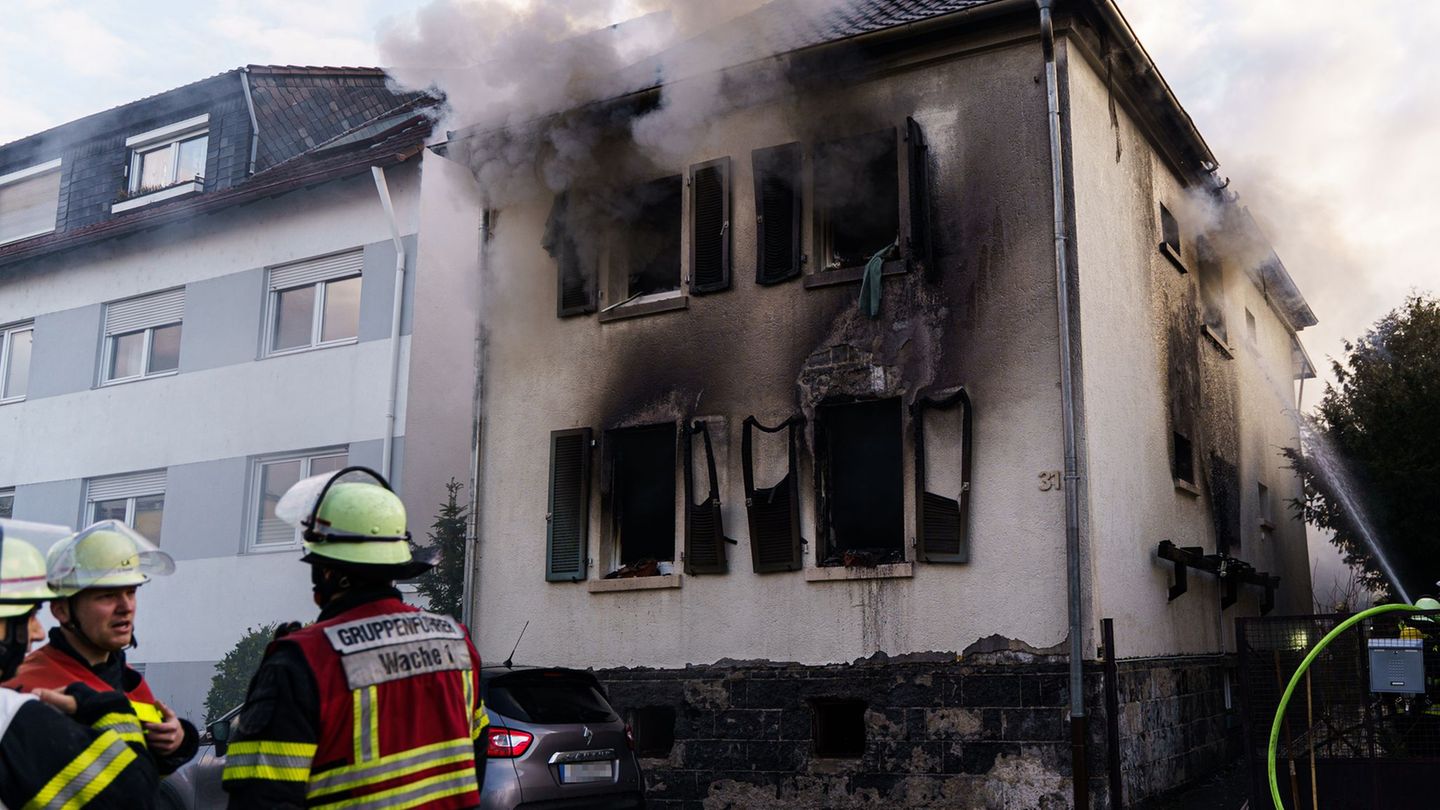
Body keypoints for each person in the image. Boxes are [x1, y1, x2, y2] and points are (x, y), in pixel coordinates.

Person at [223, 466, 488, 810]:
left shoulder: (301, 661)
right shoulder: (457, 643)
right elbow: (476, 760)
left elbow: (260, 799)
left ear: (329, 572)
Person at [5, 519, 199, 775]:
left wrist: (178, 740)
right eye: (107, 595)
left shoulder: (128, 679)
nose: (126, 606)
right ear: (62, 610)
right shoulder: (27, 683)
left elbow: (137, 770)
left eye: (131, 592)